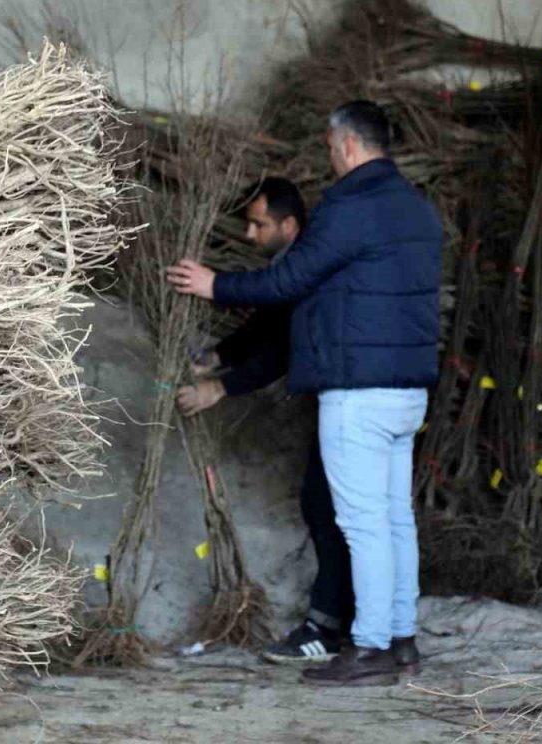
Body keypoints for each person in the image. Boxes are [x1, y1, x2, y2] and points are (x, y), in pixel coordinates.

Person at [166, 100, 443, 686]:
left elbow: (289, 279)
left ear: (345, 145)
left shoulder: (350, 206)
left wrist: (216, 284)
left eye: (329, 146)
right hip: (406, 391)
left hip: (357, 394)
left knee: (363, 523)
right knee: (394, 519)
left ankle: (368, 648)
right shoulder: (416, 210)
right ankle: (401, 639)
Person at [175, 178, 355, 663]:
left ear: (289, 224)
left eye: (259, 223)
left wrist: (219, 385)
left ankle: (333, 625)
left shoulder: (306, 270)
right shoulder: (294, 266)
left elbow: (281, 349)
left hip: (352, 401)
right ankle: (351, 622)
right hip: (341, 399)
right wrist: (217, 355)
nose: (251, 234)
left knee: (330, 509)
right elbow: (269, 322)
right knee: (328, 508)